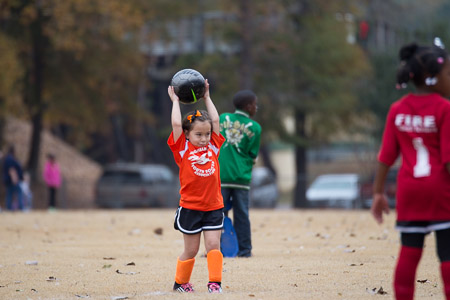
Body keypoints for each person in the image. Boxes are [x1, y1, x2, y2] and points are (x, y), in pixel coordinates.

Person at [371, 40, 450, 300]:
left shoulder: (397, 109)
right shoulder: (444, 108)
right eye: (448, 73)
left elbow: (386, 156)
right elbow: (448, 161)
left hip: (409, 191)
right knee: (447, 255)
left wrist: (378, 192)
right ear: (431, 78)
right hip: (440, 192)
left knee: (409, 251)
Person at [167, 79, 225, 293]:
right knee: (191, 251)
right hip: (190, 208)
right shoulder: (182, 149)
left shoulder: (214, 147)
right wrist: (175, 100)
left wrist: (207, 97)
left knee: (213, 246)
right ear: (187, 134)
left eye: (207, 134)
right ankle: (180, 283)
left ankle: (215, 283)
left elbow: (216, 120)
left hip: (213, 207)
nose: (204, 138)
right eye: (198, 134)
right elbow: (175, 125)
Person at [218, 90, 261, 257]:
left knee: (216, 215)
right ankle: (244, 250)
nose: (256, 108)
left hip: (220, 176)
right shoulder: (255, 128)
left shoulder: (223, 118)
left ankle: (214, 249)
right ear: (249, 106)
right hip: (241, 178)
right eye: (255, 105)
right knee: (242, 214)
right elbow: (252, 155)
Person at [2, 145, 24, 211]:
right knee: (19, 191)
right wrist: (15, 179)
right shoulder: (10, 159)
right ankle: (20, 207)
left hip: (8, 179)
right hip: (12, 179)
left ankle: (8, 207)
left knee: (9, 193)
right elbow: (11, 170)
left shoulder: (7, 158)